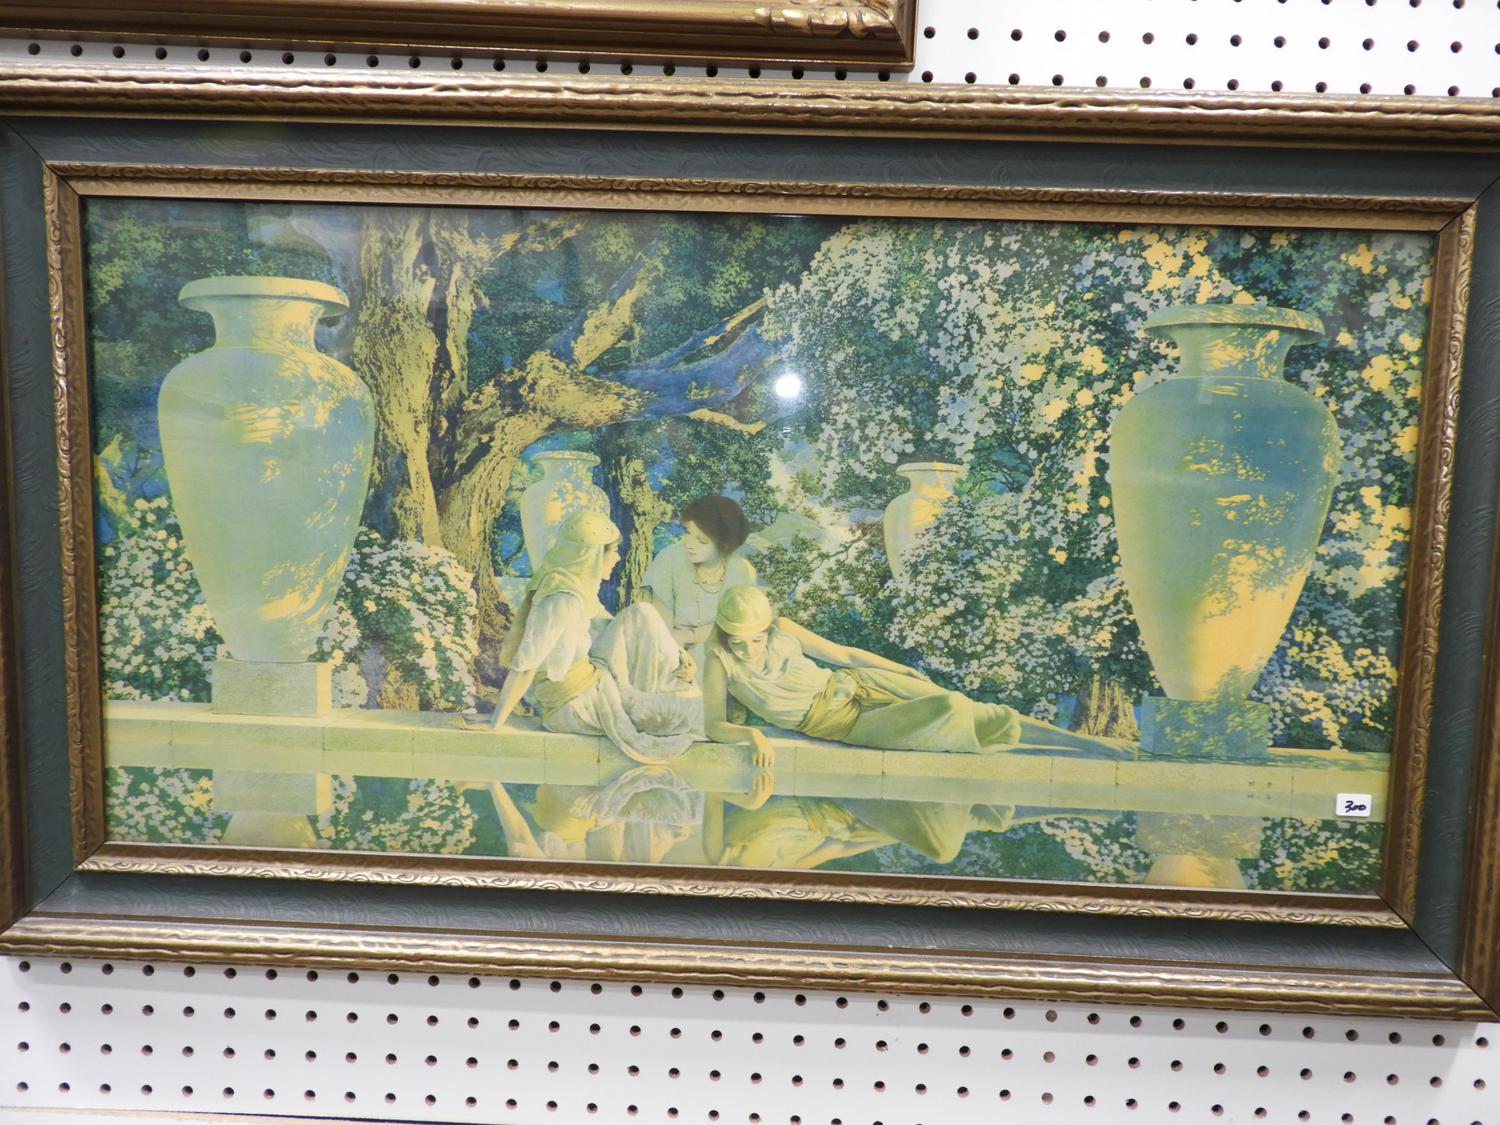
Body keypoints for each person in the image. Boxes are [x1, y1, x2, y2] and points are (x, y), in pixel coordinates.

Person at [703, 584, 1136, 762]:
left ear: (766, 627)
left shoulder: (784, 629)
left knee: (978, 710)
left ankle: (1085, 744)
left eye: (755, 638)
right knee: (950, 707)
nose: (748, 648)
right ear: (724, 634)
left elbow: (846, 656)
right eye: (738, 640)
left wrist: (901, 668)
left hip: (860, 683)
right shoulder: (719, 661)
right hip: (842, 722)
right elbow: (712, 725)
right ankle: (1074, 747)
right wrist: (752, 736)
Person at [463, 509, 704, 764]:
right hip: (574, 705)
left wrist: (678, 654)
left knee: (642, 613)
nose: (618, 558)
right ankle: (672, 692)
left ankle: (676, 681)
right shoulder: (561, 599)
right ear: (591, 555)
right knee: (686, 715)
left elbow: (622, 628)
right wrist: (495, 722)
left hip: (594, 683)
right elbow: (526, 665)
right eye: (613, 551)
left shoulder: (577, 590)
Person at [644, 495, 757, 675]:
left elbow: (739, 627)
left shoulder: (740, 571)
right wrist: (678, 650)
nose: (689, 544)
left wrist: (691, 635)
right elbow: (661, 626)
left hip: (721, 649)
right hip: (671, 647)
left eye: (702, 541)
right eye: (688, 533)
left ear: (723, 545)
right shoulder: (669, 560)